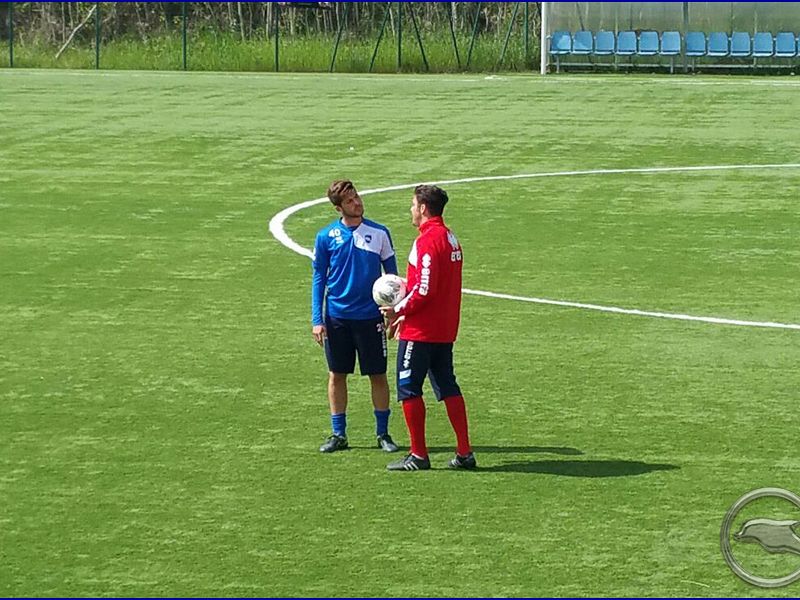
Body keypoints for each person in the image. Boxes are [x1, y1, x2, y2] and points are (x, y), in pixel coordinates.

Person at [380, 184, 475, 471]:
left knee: (408, 388)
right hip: (445, 329)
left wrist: (397, 309)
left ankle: (419, 455)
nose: (410, 210)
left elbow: (424, 290)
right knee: (448, 385)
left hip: (421, 331)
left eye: (412, 205)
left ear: (423, 208)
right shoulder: (451, 238)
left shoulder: (427, 241)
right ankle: (464, 452)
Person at [311, 179, 400, 454]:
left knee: (377, 374)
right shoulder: (326, 237)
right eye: (350, 201)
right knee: (337, 374)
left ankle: (383, 433)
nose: (357, 202)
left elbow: (394, 279)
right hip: (337, 316)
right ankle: (339, 434)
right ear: (339, 208)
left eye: (357, 197)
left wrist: (394, 312)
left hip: (369, 317)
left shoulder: (380, 233)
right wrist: (317, 319)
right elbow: (318, 278)